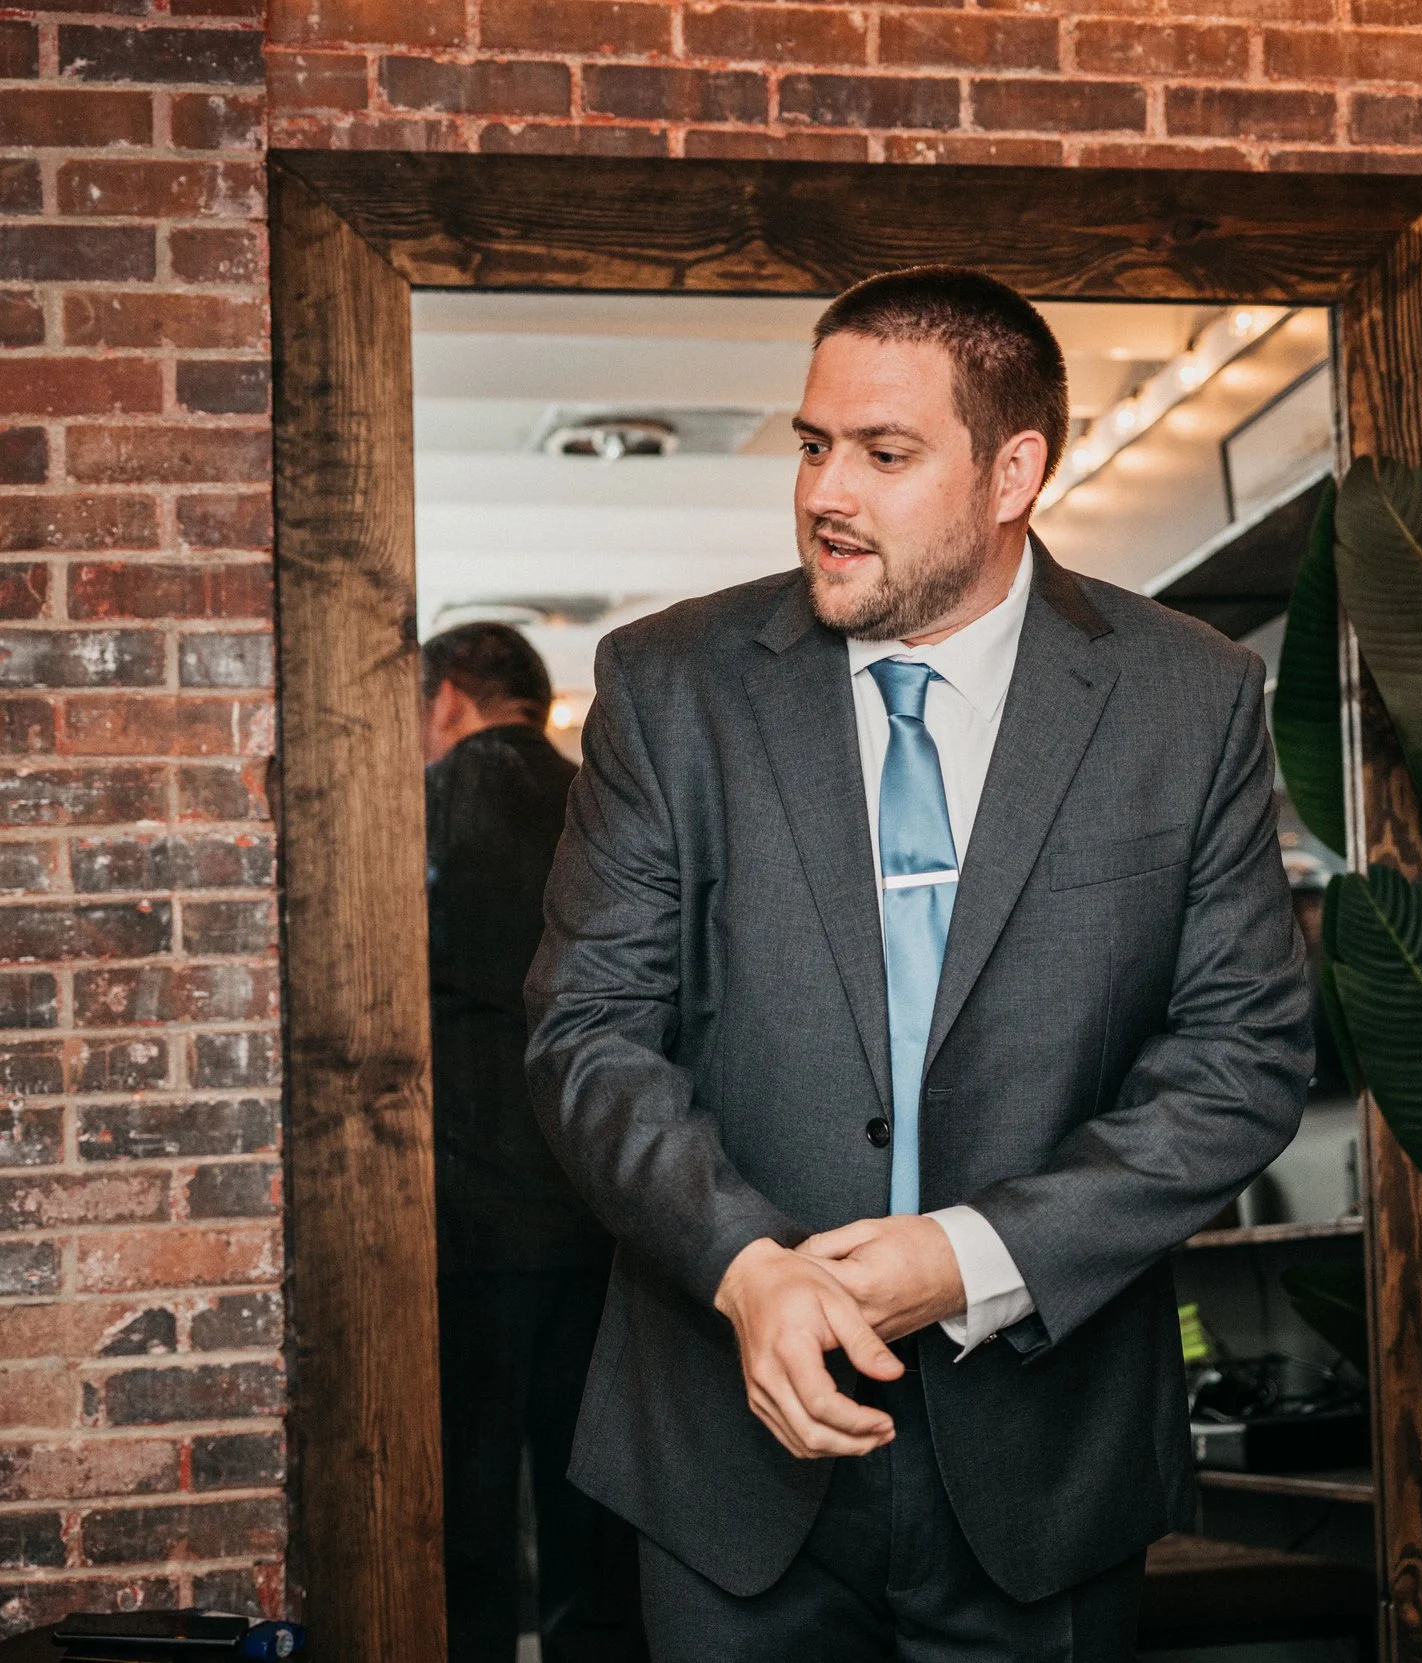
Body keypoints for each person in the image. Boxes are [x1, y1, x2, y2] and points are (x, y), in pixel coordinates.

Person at [525, 267, 1313, 1660]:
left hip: (1045, 1458)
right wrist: (747, 1266)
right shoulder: (669, 683)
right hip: (725, 1454)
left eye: (884, 454)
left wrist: (967, 1256)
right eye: (812, 443)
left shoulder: (1188, 697)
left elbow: (1241, 1058)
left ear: (1014, 472)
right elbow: (587, 1033)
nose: (826, 492)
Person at [422, 622, 642, 1663]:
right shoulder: (598, 805)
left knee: (467, 1501)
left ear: (448, 698)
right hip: (602, 1204)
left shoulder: (421, 809)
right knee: (590, 1495)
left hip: (464, 1209)